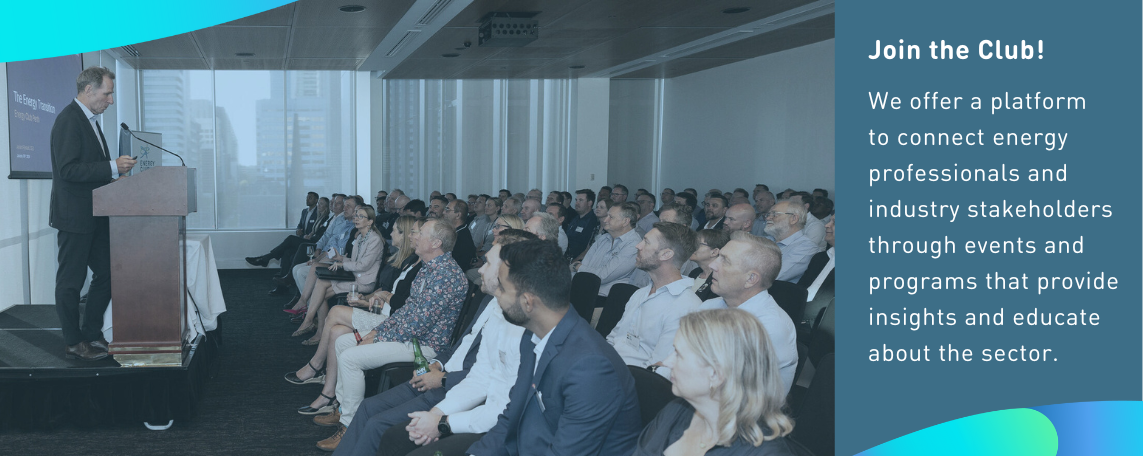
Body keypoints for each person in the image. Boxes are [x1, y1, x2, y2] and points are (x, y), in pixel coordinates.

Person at [465, 240, 643, 456]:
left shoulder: (591, 368)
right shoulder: (532, 336)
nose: (497, 292)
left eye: (502, 287)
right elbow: (512, 416)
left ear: (528, 302)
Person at [368, 230, 536, 456]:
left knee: (392, 435)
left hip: (507, 429)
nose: (480, 269)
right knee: (386, 429)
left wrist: (442, 422)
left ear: (508, 271)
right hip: (472, 400)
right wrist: (436, 415)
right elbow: (480, 376)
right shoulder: (497, 309)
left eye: (488, 263)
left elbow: (502, 406)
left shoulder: (525, 326)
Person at [314, 218, 468, 451]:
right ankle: (344, 409)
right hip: (412, 337)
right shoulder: (430, 268)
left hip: (425, 346)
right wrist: (378, 330)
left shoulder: (446, 275)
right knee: (344, 341)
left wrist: (378, 337)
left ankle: (348, 427)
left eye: (421, 234)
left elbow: (418, 324)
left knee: (350, 357)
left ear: (436, 243)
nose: (415, 237)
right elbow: (407, 312)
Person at [633, 308, 806, 456]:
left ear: (716, 374)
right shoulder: (675, 411)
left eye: (678, 354)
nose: (666, 362)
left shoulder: (765, 452)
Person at [50, 66, 135, 360]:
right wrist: (112, 166)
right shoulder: (68, 120)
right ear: (89, 90)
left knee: (109, 272)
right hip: (75, 217)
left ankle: (91, 333)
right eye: (107, 93)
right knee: (71, 282)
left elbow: (89, 170)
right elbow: (68, 170)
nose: (110, 100)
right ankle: (73, 341)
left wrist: (113, 180)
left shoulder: (91, 122)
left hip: (97, 213)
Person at [701, 232, 798, 395]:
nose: (712, 265)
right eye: (718, 257)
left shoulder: (769, 328)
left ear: (751, 279)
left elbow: (728, 393)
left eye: (725, 260)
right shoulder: (709, 306)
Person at [605, 222, 701, 376]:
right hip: (610, 370)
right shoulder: (641, 293)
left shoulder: (685, 307)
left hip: (634, 382)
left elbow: (658, 371)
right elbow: (613, 339)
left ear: (666, 255)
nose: (638, 245)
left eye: (646, 242)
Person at [292, 205, 385, 345]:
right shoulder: (361, 237)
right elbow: (355, 261)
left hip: (364, 283)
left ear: (370, 221)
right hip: (355, 277)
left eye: (361, 216)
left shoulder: (374, 240)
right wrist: (341, 258)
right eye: (356, 216)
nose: (356, 219)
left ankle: (312, 324)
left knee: (321, 290)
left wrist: (342, 264)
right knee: (321, 285)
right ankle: (315, 327)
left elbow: (363, 265)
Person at [572, 202, 648, 320]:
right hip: (583, 293)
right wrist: (580, 269)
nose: (605, 220)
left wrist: (578, 267)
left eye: (611, 217)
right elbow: (583, 271)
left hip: (606, 302)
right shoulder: (603, 239)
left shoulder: (634, 245)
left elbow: (603, 276)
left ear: (625, 221)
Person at [763, 200, 824, 283]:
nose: (768, 218)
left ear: (793, 219)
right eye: (768, 214)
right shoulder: (766, 240)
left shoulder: (806, 248)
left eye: (775, 214)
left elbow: (773, 276)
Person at [689, 229, 730, 302]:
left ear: (714, 252)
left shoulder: (720, 281)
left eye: (697, 244)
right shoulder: (694, 273)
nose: (692, 246)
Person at [564, 189, 598, 259]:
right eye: (576, 200)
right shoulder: (575, 218)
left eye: (581, 200)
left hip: (581, 259)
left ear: (589, 203)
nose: (577, 203)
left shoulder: (593, 221)